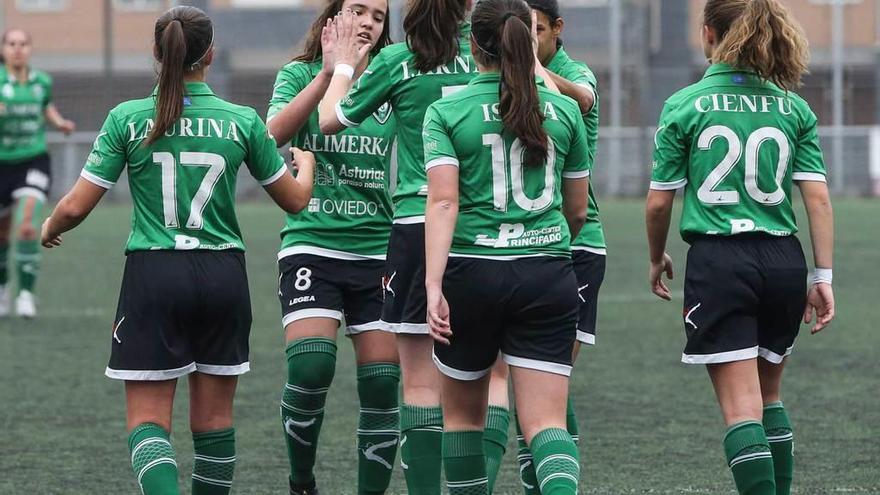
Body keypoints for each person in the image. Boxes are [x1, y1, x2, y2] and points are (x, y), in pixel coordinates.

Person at [40, 7, 314, 495]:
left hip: (155, 274)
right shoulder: (241, 121)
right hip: (223, 275)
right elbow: (295, 200)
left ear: (155, 53)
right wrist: (307, 165)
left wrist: (49, 227)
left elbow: (75, 205)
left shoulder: (127, 118)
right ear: (210, 55)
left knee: (148, 424)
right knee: (214, 425)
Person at [646, 1, 835, 494]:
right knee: (770, 397)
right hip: (783, 260)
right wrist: (823, 276)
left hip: (720, 261)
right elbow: (817, 197)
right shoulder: (793, 105)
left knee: (741, 409)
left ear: (709, 34)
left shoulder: (685, 103)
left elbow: (657, 204)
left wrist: (655, 255)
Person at [423, 0, 590, 492]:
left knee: (462, 422)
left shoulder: (446, 110)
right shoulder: (563, 107)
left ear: (473, 45)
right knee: (546, 425)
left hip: (472, 274)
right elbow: (576, 211)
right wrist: (542, 245)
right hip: (546, 273)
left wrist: (434, 285)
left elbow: (443, 204)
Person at [316, 2, 480, 492]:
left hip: (416, 222)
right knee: (485, 386)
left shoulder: (398, 60)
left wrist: (343, 65)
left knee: (421, 387)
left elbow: (328, 120)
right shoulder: (487, 52)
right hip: (483, 228)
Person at [265, 1, 398, 494]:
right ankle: (302, 482)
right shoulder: (298, 73)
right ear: (332, 18)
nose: (367, 22)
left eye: (379, 17)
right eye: (358, 10)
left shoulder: (392, 73)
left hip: (380, 250)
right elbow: (269, 136)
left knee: (383, 382)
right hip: (312, 241)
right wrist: (327, 75)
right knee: (310, 365)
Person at [510, 1, 603, 491]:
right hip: (518, 246)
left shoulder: (570, 72)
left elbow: (584, 97)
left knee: (547, 381)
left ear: (556, 30)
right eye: (520, 31)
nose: (528, 39)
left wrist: (530, 66)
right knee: (526, 385)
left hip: (576, 242)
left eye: (537, 30)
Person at [0, 28, 75, 318]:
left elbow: (46, 108)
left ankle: (26, 295)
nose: (18, 49)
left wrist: (60, 123)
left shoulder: (42, 81)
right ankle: (4, 289)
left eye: (23, 44)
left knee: (28, 225)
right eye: (12, 44)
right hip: (2, 164)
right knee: (3, 234)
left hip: (33, 160)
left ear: (30, 49)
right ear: (4, 49)